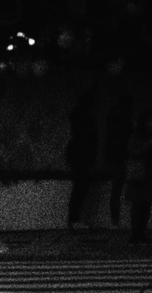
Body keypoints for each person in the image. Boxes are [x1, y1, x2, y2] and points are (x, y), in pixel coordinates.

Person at [123, 111, 152, 246]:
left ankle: (141, 233)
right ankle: (135, 234)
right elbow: (133, 152)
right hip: (139, 174)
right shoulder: (136, 136)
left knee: (146, 205)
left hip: (150, 173)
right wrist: (149, 145)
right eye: (149, 121)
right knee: (137, 205)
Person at [65, 87, 99, 227]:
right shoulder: (85, 120)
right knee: (81, 188)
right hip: (81, 156)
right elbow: (87, 139)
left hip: (78, 155)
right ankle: (74, 219)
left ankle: (74, 219)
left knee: (79, 188)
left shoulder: (77, 117)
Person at [101, 92, 133, 227]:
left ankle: (116, 220)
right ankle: (120, 219)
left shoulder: (113, 118)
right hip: (121, 156)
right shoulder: (125, 119)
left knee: (116, 189)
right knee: (123, 187)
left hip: (115, 156)